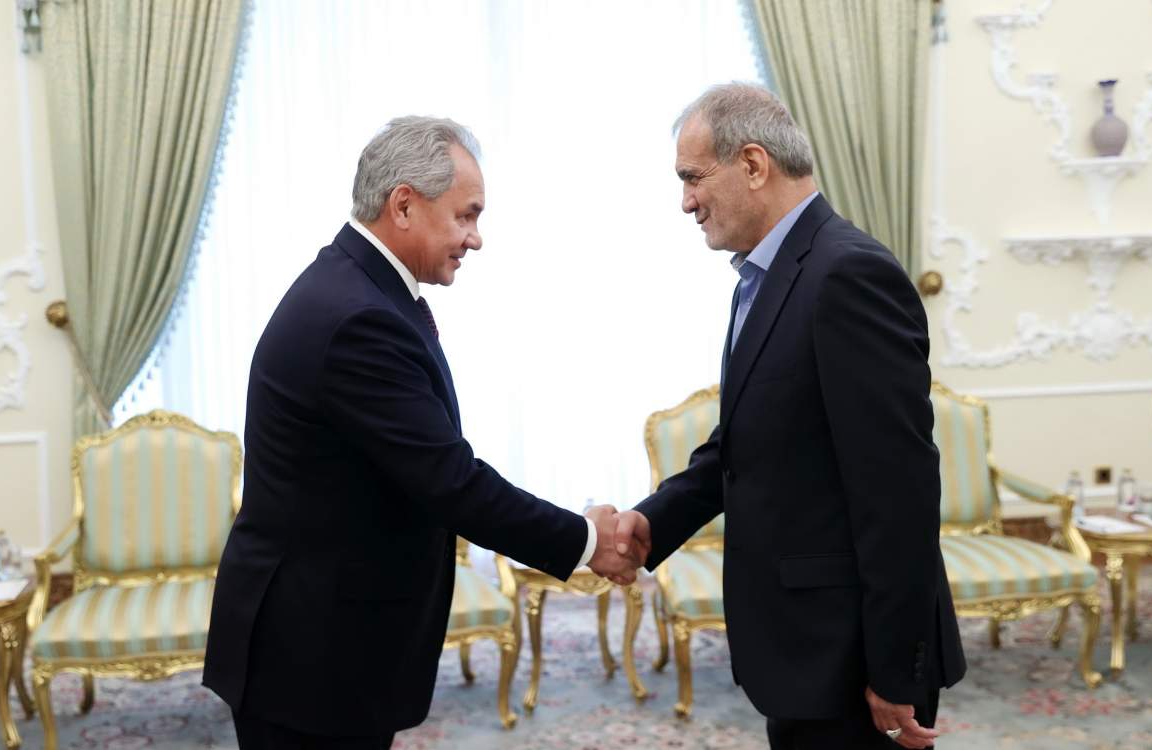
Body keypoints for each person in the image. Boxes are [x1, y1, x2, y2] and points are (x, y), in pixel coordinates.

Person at [203, 116, 644, 749]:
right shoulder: (357, 316)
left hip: (328, 640)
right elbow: (450, 481)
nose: (477, 238)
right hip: (310, 655)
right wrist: (583, 540)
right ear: (404, 204)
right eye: (466, 215)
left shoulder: (360, 289)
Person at [611, 83, 966, 749]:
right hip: (803, 648)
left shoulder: (847, 275)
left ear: (752, 164)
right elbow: (743, 444)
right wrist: (650, 523)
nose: (685, 201)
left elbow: (899, 493)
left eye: (692, 178)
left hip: (853, 654)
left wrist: (895, 669)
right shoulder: (767, 276)